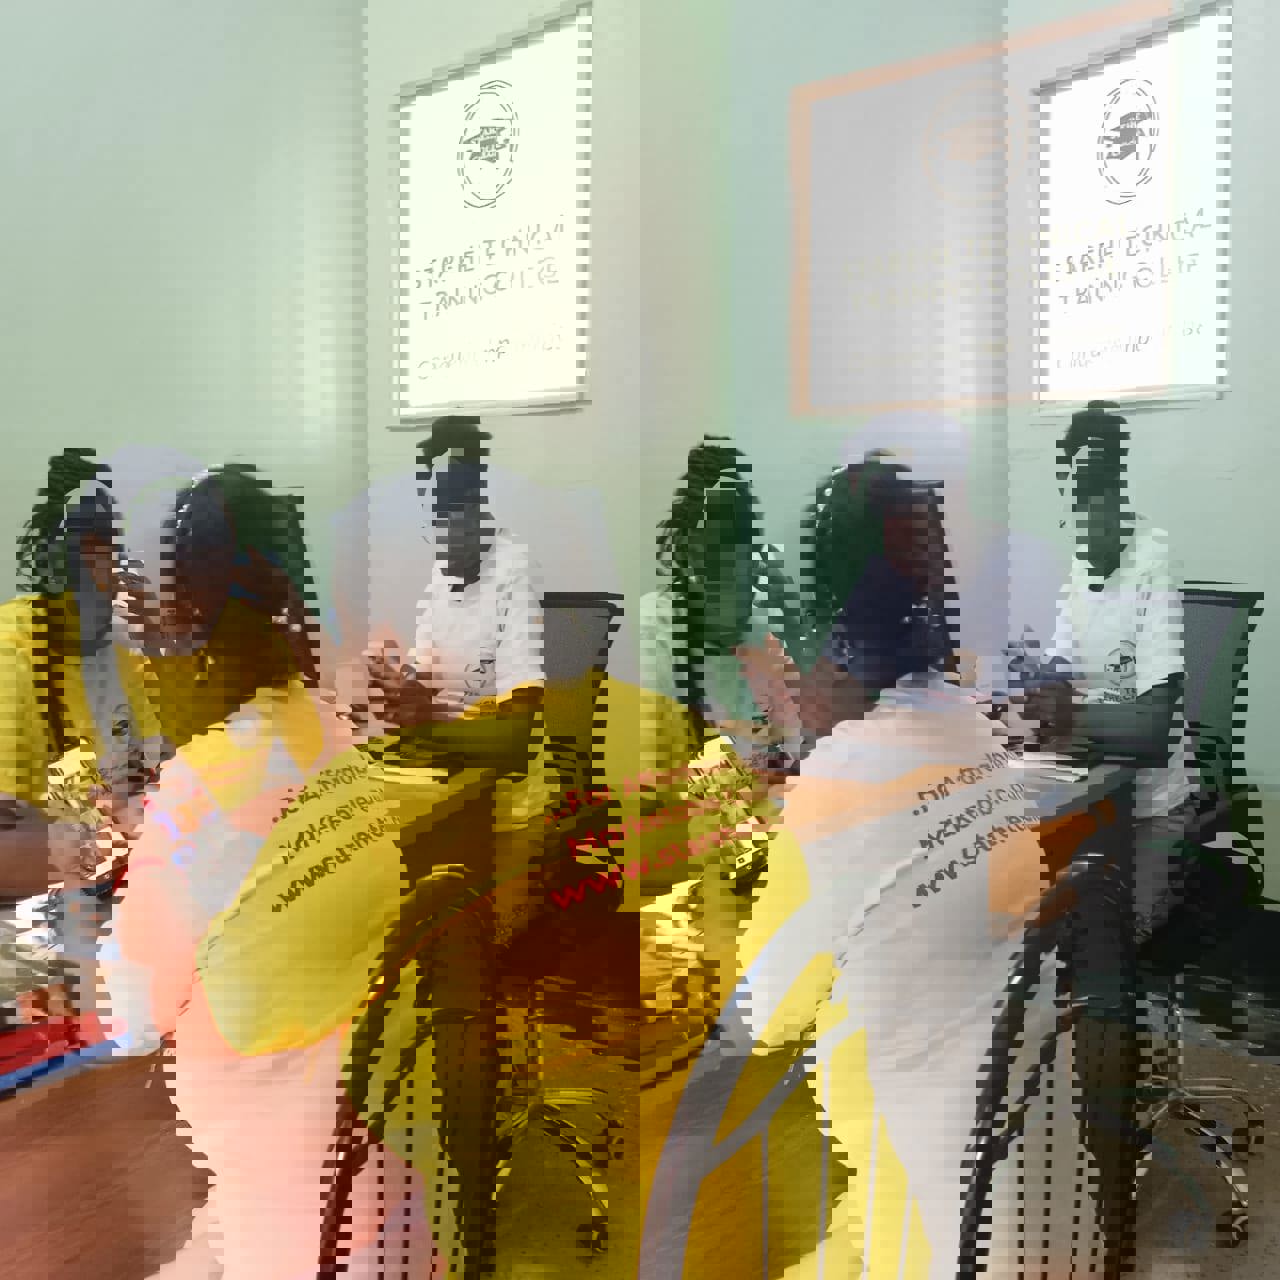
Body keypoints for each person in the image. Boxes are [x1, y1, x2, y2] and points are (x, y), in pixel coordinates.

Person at [100, 466, 467, 1278]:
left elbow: (129, 1015)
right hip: (388, 1177)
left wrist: (141, 856)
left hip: (295, 1211)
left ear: (186, 619)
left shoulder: (205, 786)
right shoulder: (341, 743)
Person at [718, 457, 1047, 1278]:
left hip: (922, 1227)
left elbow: (759, 1020)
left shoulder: (842, 780)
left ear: (829, 630)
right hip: (1024, 1185)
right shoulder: (974, 730)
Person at [0, 450, 162, 1028]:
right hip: (33, 912)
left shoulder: (121, 653)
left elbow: (155, 772)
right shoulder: (14, 655)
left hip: (110, 888)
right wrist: (113, 843)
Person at [1027, 401, 1193, 932]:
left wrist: (1063, 721)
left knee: (1110, 939)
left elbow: (1150, 732)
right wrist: (1033, 692)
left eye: (1096, 489)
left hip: (1148, 810)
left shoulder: (1153, 561)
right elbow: (1052, 681)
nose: (1084, 509)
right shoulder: (1080, 565)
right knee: (1034, 919)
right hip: (1088, 791)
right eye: (1075, 493)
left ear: (1120, 489)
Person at [640, 437, 807, 784]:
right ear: (695, 570)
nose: (744, 604)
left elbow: (793, 746)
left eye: (749, 583)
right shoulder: (653, 635)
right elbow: (654, 774)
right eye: (730, 583)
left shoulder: (757, 633)